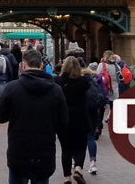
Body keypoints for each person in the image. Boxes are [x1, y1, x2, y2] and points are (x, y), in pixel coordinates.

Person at [0, 49, 68, 184]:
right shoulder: (55, 90)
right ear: (41, 65)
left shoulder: (12, 88)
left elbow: (0, 117)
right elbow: (63, 122)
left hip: (19, 148)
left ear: (23, 65)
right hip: (44, 149)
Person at [55, 56, 90, 184]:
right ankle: (78, 169)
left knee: (66, 149)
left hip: (64, 118)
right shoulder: (84, 82)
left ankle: (67, 177)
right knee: (81, 146)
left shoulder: (58, 81)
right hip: (81, 117)